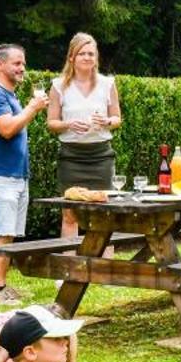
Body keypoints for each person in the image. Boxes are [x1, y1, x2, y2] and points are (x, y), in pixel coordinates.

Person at [0, 43, 48, 306]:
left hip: (16, 175)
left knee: (9, 233)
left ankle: (3, 287)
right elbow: (6, 129)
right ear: (0, 64)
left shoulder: (11, 96)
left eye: (23, 63)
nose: (22, 68)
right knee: (2, 232)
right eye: (17, 63)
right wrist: (32, 108)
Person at [46, 32, 121, 237]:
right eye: (82, 53)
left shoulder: (107, 84)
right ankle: (70, 267)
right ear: (71, 57)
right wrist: (68, 124)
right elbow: (51, 123)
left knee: (105, 215)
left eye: (91, 53)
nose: (88, 57)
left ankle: (106, 267)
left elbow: (117, 119)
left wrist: (106, 122)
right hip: (71, 157)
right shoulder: (58, 86)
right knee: (70, 215)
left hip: (101, 156)